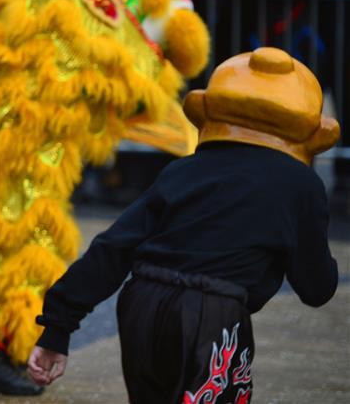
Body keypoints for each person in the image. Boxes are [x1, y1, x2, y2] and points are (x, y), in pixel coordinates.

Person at [28, 47, 340, 403]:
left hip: (142, 302)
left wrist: (57, 327)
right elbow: (317, 288)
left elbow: (114, 246)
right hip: (214, 313)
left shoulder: (185, 170)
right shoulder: (299, 185)